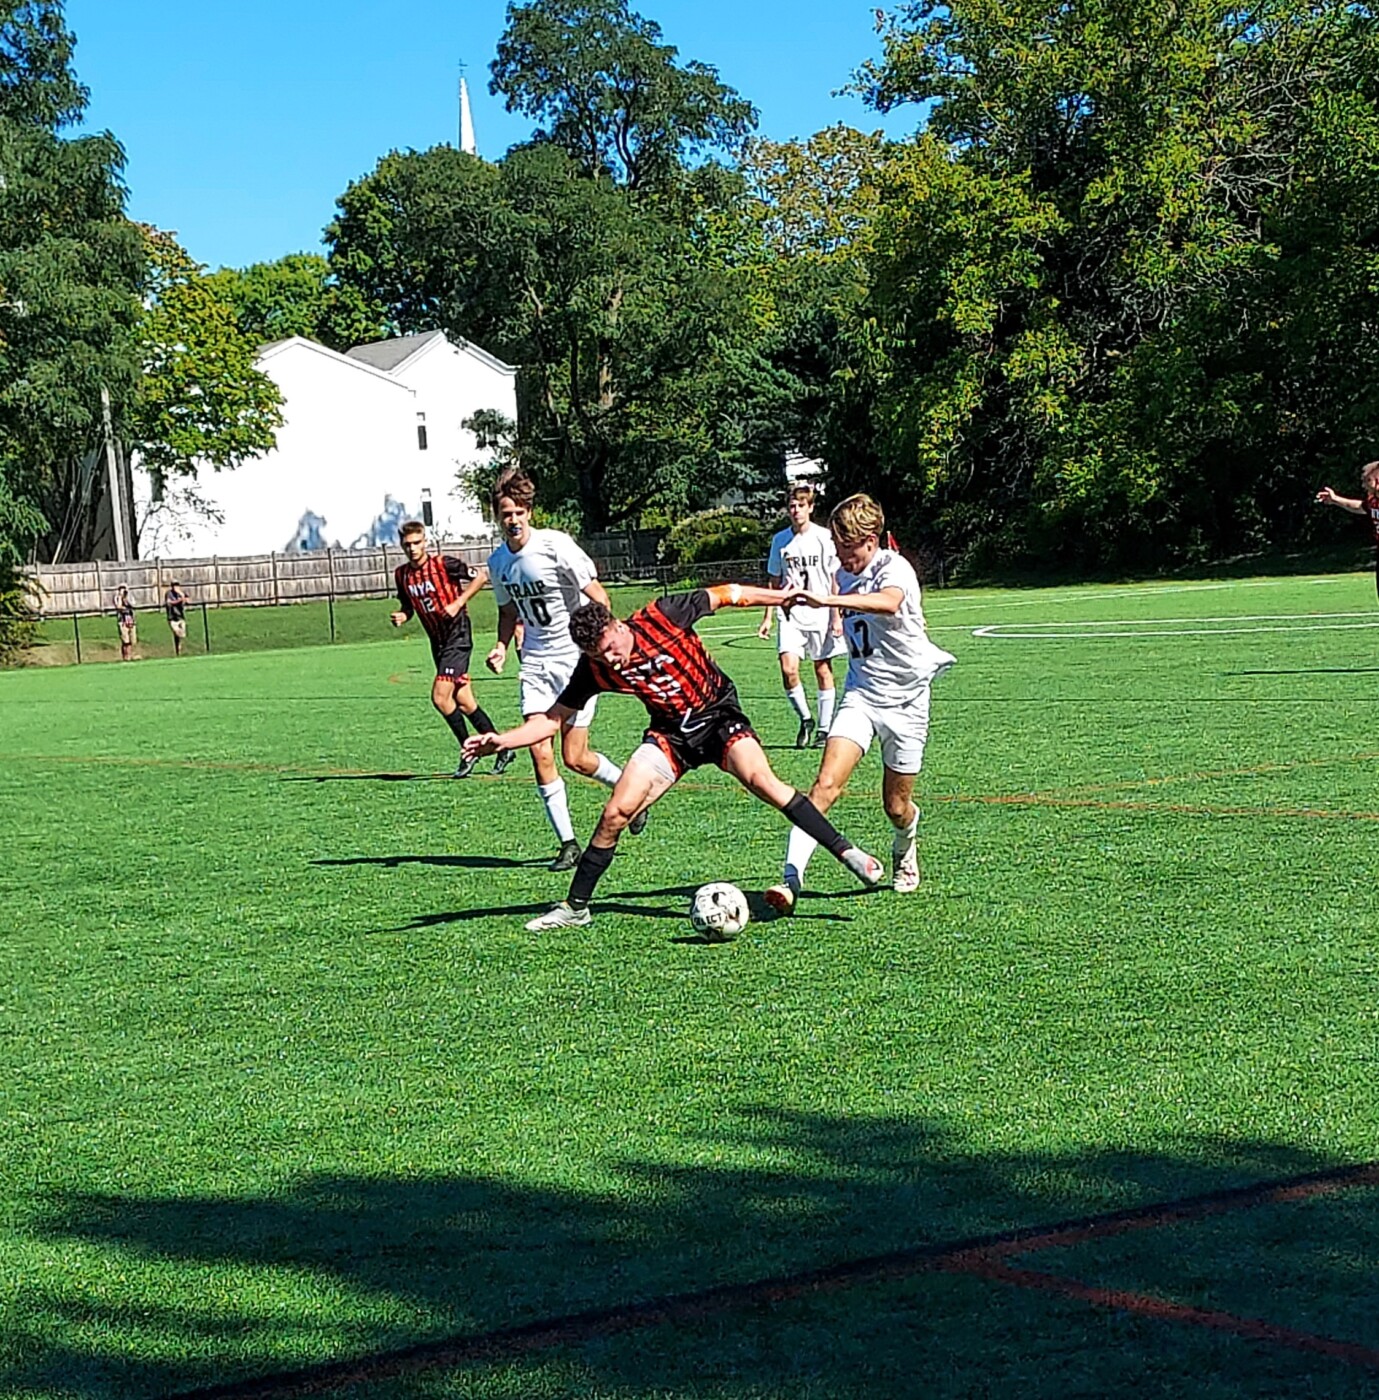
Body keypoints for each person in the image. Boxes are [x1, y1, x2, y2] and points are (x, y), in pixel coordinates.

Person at [464, 583, 884, 931]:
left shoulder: (664, 615)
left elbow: (730, 594)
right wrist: (502, 740)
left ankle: (849, 855)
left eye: (610, 646)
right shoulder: (593, 668)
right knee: (615, 813)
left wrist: (782, 598)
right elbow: (553, 720)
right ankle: (576, 907)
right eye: (599, 655)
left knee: (763, 782)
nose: (610, 658)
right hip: (670, 735)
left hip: (718, 717)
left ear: (616, 624)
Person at [766, 494, 955, 911]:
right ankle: (790, 880)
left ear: (870, 540)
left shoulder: (894, 567)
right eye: (836, 547)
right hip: (862, 695)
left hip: (907, 702)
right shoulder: (842, 570)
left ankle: (906, 847)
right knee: (824, 787)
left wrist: (830, 603)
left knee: (896, 806)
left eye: (847, 549)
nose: (840, 556)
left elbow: (888, 602)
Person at [485, 468, 644, 871]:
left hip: (573, 660)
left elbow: (597, 594)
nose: (513, 520)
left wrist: (604, 643)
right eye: (506, 514)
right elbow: (507, 611)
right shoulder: (498, 562)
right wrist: (502, 646)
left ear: (529, 512)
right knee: (539, 749)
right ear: (498, 517)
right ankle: (568, 843)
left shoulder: (555, 546)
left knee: (576, 757)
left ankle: (632, 792)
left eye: (519, 512)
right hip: (535, 661)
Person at [390, 520, 507, 779]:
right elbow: (409, 606)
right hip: (438, 642)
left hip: (459, 635)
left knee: (441, 698)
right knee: (465, 702)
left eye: (416, 543)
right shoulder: (402, 575)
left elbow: (481, 577)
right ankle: (501, 748)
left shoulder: (444, 564)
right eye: (407, 545)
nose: (412, 549)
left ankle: (469, 751)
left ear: (425, 542)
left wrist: (458, 602)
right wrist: (403, 615)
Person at [757, 485, 845, 747]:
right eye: (792, 506)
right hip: (791, 614)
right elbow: (774, 580)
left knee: (822, 668)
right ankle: (805, 718)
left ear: (810, 508)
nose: (795, 510)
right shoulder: (780, 541)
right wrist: (767, 617)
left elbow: (834, 578)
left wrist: (836, 615)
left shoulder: (824, 538)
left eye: (800, 505)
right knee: (788, 668)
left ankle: (824, 729)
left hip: (820, 612)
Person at [1316, 461, 1379, 597]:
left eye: (1366, 480)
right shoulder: (1374, 501)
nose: (1363, 485)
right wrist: (1335, 500)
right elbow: (1360, 507)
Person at [164, 581, 189, 656]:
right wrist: (180, 600)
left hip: (180, 617)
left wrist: (182, 596)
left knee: (182, 634)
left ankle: (178, 650)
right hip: (172, 617)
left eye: (177, 585)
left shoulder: (182, 593)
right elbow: (169, 602)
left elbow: (188, 601)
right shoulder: (169, 594)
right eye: (174, 585)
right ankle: (178, 649)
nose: (176, 587)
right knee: (177, 633)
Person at [113, 586, 137, 661]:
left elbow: (133, 605)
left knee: (132, 640)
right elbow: (119, 606)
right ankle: (125, 656)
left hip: (131, 620)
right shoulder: (117, 598)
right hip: (122, 621)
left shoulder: (130, 597)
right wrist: (120, 597)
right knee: (125, 641)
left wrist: (126, 599)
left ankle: (130, 655)